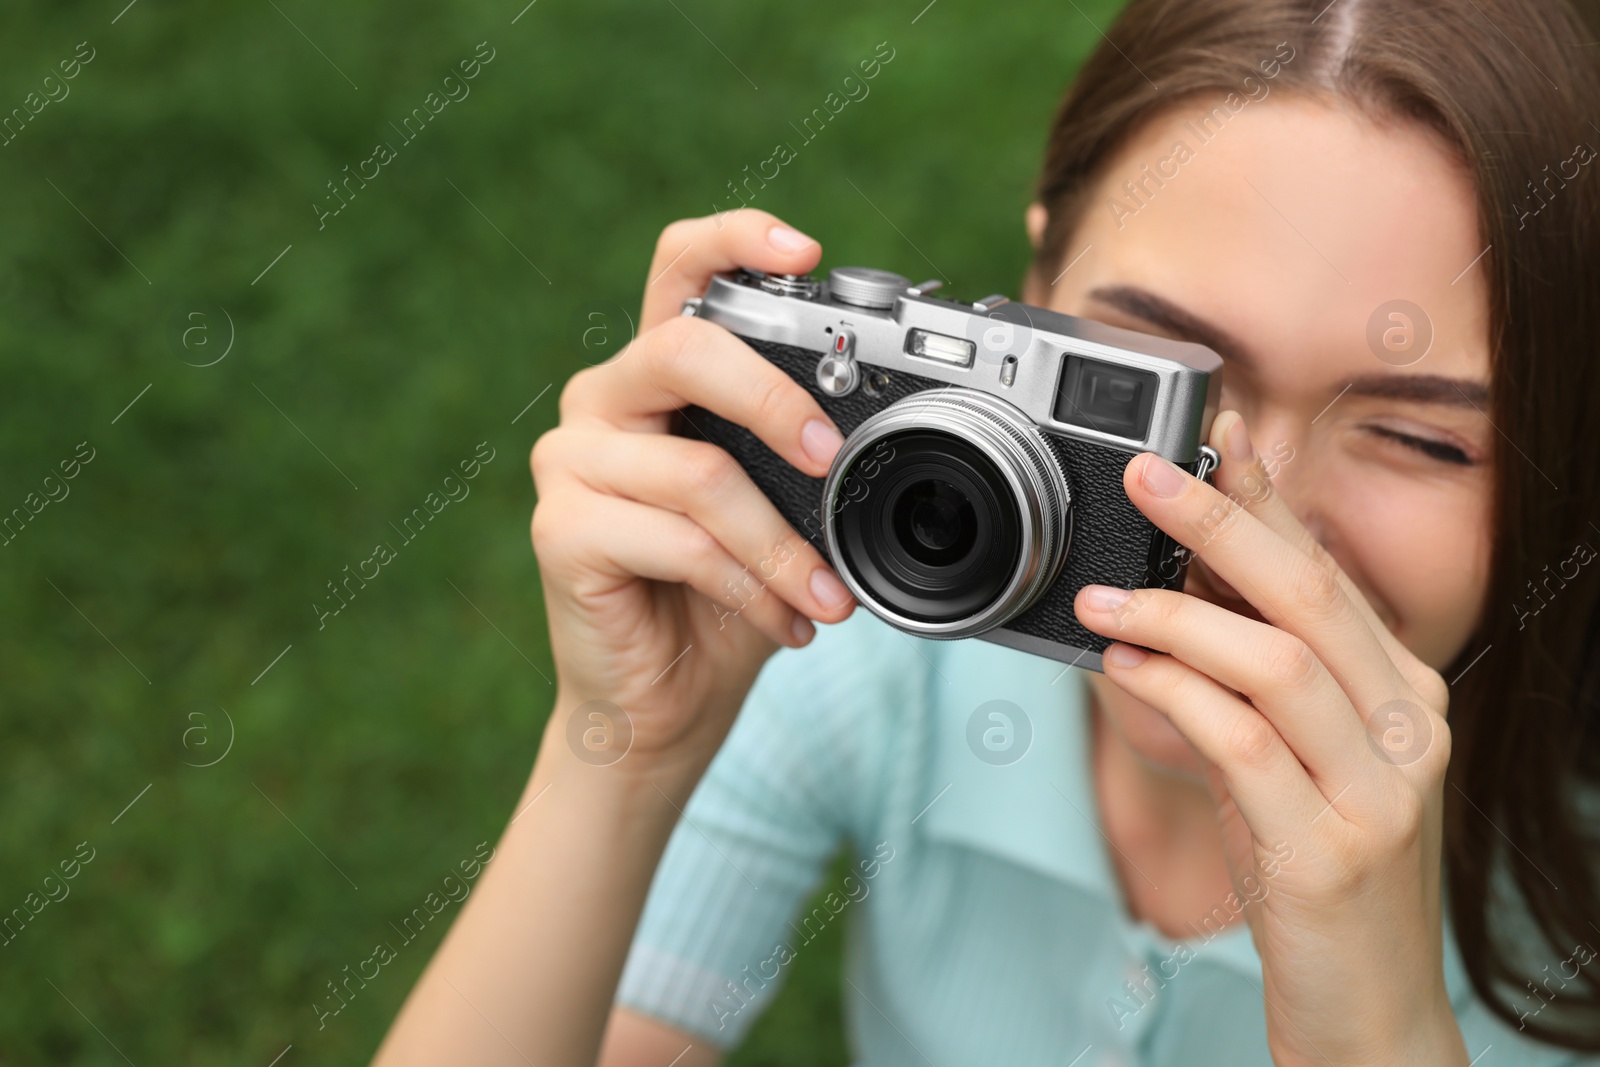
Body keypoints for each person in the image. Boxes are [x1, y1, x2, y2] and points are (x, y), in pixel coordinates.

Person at [372, 0, 1600, 1062]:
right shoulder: (866, 637)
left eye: (1427, 439)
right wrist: (622, 759)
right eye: (1148, 375)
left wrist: (1379, 1042)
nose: (1238, 511)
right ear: (1038, 297)